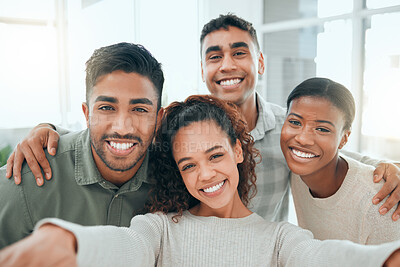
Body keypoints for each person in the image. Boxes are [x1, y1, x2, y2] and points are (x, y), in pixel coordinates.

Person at [5, 14, 400, 222]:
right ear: (203, 69)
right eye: (214, 56)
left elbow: (336, 155)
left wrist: (388, 168)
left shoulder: (288, 130)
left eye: (240, 52)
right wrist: (47, 131)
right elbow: (118, 130)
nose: (227, 65)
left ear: (259, 61)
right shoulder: (177, 128)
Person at [1, 95, 400, 267]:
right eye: (189, 165)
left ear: (238, 151)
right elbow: (126, 247)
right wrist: (72, 242)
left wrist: (383, 258)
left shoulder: (280, 240)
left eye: (215, 155)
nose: (205, 175)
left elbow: (323, 259)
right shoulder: (159, 229)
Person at [0, 42, 164, 248]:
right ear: (87, 114)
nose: (122, 127)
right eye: (106, 107)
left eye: (139, 109)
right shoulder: (28, 177)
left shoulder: (178, 179)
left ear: (158, 118)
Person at [280, 77, 400, 244]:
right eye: (294, 122)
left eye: (322, 129)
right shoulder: (298, 165)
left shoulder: (378, 204)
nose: (303, 139)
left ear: (344, 138)